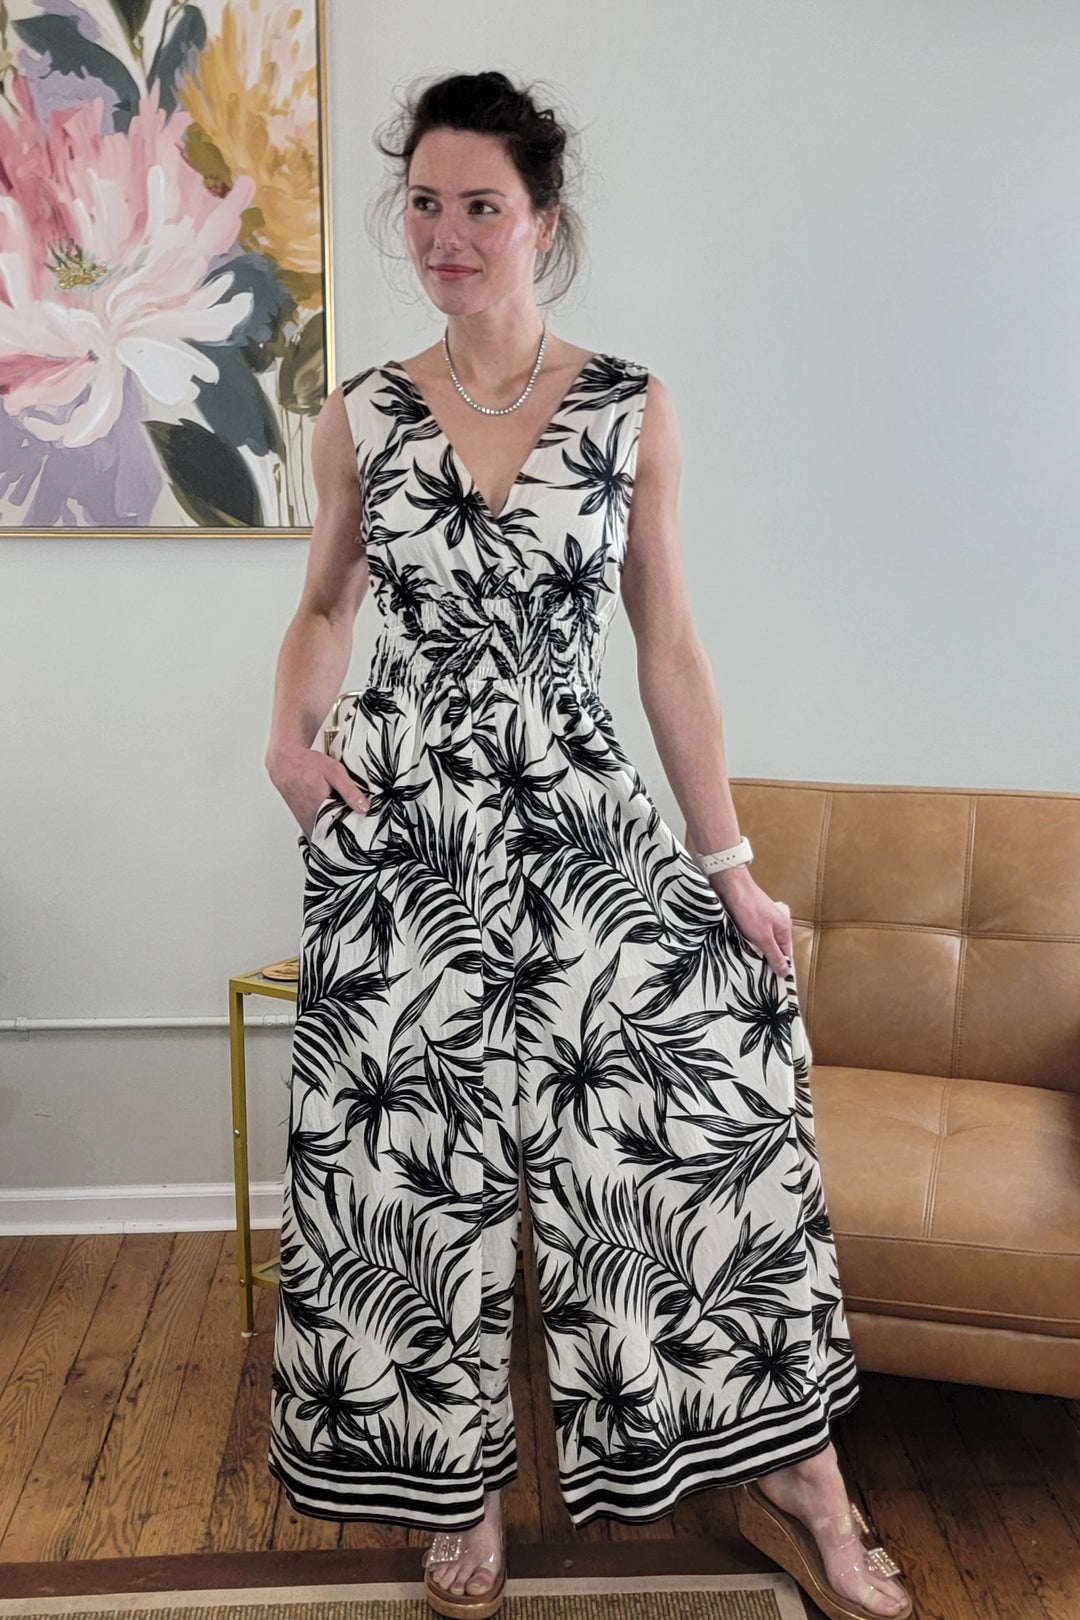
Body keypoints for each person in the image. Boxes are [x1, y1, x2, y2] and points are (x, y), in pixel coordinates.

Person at [264, 69, 912, 1620]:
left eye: (481, 205)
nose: (446, 232)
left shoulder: (630, 406)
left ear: (542, 224)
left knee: (694, 1124)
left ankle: (805, 1483)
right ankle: (461, 1493)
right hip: (405, 839)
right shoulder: (362, 411)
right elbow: (323, 604)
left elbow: (667, 645)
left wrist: (728, 863)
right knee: (410, 1176)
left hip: (580, 823)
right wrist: (289, 746)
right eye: (424, 202)